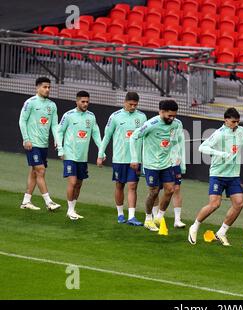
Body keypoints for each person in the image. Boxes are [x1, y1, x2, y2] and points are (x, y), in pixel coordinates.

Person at [188, 107, 243, 246]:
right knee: (215, 204)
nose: (236, 124)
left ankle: (222, 232)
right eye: (233, 122)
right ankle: (194, 226)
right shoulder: (219, 134)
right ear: (226, 120)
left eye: (238, 121)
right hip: (218, 174)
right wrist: (221, 154)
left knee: (239, 203)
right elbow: (202, 147)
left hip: (234, 175)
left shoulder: (240, 131)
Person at [129, 100, 185, 232]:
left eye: (174, 116)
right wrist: (134, 158)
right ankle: (148, 219)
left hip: (166, 164)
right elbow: (133, 137)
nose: (171, 118)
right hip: (151, 165)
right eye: (169, 116)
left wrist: (177, 156)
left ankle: (159, 217)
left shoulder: (177, 124)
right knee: (154, 192)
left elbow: (176, 140)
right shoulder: (151, 124)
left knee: (170, 190)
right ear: (161, 112)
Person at [97, 92, 147, 226]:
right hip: (119, 158)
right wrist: (100, 154)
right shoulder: (115, 117)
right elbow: (107, 136)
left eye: (135, 105)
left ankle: (131, 217)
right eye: (130, 104)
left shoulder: (142, 117)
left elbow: (144, 138)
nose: (133, 107)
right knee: (119, 185)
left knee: (133, 185)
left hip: (135, 159)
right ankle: (120, 214)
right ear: (124, 102)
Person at [18, 77, 61, 211]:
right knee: (40, 170)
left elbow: (54, 125)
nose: (47, 89)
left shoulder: (52, 105)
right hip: (32, 143)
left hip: (44, 145)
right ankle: (49, 202)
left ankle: (26, 201)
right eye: (44, 87)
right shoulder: (30, 103)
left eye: (49, 87)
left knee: (34, 172)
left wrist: (57, 139)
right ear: (37, 88)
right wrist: (26, 139)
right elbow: (22, 121)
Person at [58, 91, 102, 220]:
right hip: (70, 154)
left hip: (83, 157)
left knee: (78, 184)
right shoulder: (69, 115)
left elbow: (96, 134)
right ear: (76, 101)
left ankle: (73, 208)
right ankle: (70, 210)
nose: (85, 104)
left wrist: (101, 150)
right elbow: (59, 132)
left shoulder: (91, 116)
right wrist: (61, 149)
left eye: (87, 102)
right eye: (83, 101)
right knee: (72, 182)